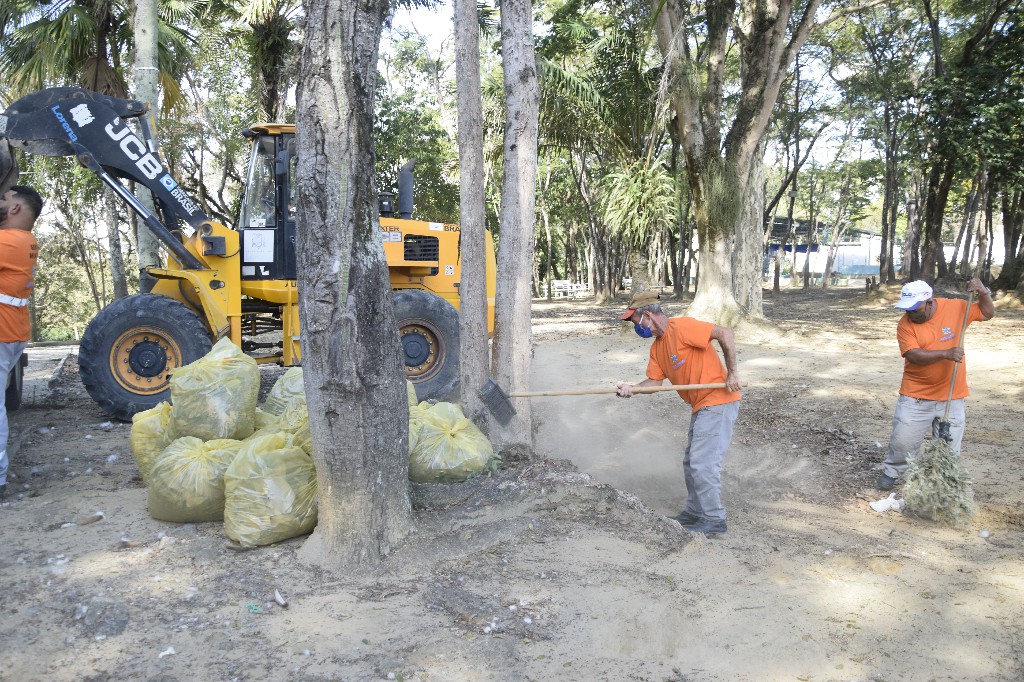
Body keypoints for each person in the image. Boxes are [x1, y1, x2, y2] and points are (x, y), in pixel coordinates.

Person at [615, 291, 743, 535]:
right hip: (701, 405)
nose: (637, 329)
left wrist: (733, 373)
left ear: (648, 316)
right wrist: (632, 389)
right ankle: (695, 512)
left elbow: (724, 333)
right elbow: (654, 383)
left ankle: (714, 519)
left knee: (703, 463)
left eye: (636, 323)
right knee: (690, 463)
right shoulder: (657, 348)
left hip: (718, 401)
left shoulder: (682, 328)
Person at [877, 278, 995, 491]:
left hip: (951, 396)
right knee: (903, 441)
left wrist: (983, 293)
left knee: (947, 446)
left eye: (915, 308)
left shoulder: (955, 308)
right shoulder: (905, 324)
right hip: (916, 395)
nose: (910, 313)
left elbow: (987, 313)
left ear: (929, 302)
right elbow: (913, 355)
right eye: (907, 309)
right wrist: (946, 353)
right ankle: (893, 470)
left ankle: (941, 483)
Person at [0, 185, 43, 500]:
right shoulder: (24, 239)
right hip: (11, 330)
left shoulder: (8, 241)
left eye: (4, 198)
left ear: (14, 209)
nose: (1, 201)